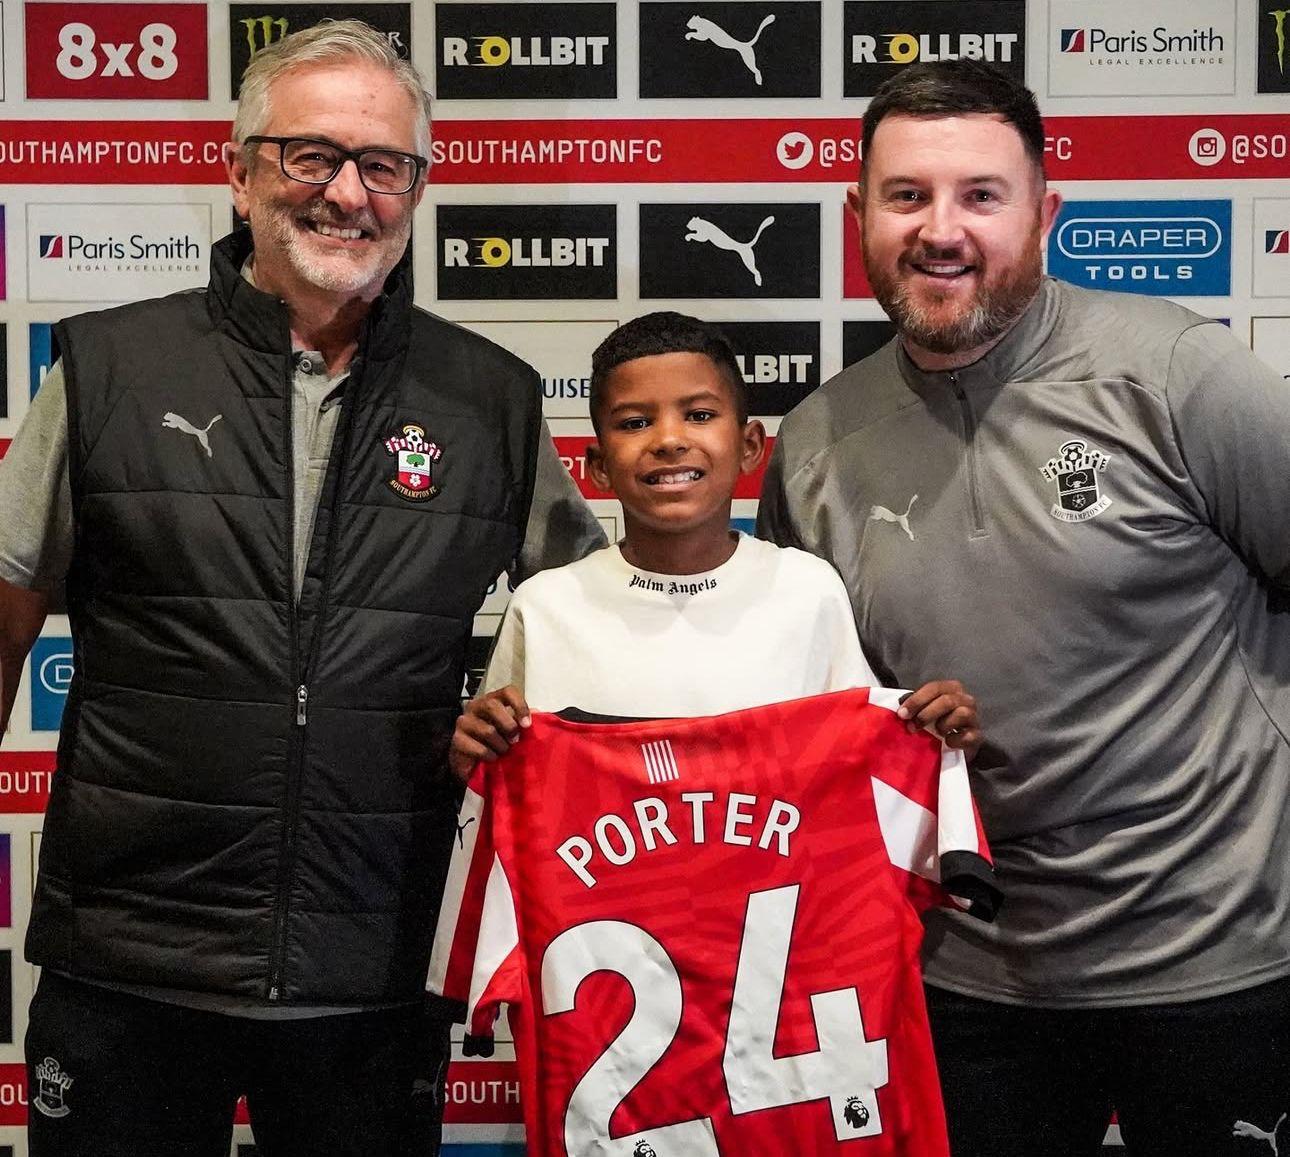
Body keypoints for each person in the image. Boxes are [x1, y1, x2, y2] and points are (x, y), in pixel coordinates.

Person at [0, 20, 602, 1157]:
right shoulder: (109, 369)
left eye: (385, 165)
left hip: (376, 965)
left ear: (417, 189)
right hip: (130, 962)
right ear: (239, 174)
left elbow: (599, 642)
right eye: (311, 156)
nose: (349, 194)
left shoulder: (495, 400)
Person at [757, 58, 1290, 1157]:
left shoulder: (1179, 375)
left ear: (1045, 214)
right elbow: (805, 724)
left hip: (1223, 966)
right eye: (908, 196)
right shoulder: (812, 446)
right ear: (857, 217)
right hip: (963, 983)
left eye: (981, 196)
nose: (941, 230)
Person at [449, 310, 981, 760]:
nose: (669, 440)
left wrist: (929, 738)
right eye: (634, 423)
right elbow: (497, 786)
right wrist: (472, 751)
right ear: (599, 466)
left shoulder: (808, 592)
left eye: (699, 414)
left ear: (750, 446)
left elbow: (861, 765)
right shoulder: (545, 607)